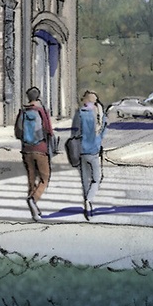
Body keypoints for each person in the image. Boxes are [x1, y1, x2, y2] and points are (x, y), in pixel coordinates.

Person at [16, 86, 55, 220]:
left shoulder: (23, 111)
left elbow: (17, 132)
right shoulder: (41, 110)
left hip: (26, 150)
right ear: (38, 97)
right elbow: (49, 130)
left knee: (31, 180)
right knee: (44, 178)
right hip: (41, 149)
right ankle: (33, 200)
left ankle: (34, 212)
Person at [71, 90, 107, 219]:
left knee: (85, 179)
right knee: (97, 178)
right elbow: (103, 130)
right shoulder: (99, 114)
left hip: (81, 150)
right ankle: (89, 200)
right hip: (94, 150)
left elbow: (74, 132)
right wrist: (98, 140)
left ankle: (86, 204)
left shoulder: (80, 113)